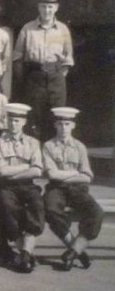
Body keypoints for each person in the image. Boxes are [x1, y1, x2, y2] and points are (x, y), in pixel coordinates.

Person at [43, 107, 103, 271]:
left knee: (96, 212)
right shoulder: (48, 146)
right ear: (55, 125)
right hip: (56, 189)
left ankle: (73, 251)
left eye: (67, 124)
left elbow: (87, 176)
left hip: (78, 190)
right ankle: (77, 250)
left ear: (73, 126)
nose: (63, 128)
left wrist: (65, 175)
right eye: (60, 124)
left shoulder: (79, 147)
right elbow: (52, 175)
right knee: (50, 209)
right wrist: (75, 173)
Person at [13, 0, 74, 141]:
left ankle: (52, 156)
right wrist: (25, 79)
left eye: (50, 7)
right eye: (43, 7)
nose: (47, 11)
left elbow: (68, 57)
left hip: (56, 78)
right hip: (34, 77)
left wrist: (58, 74)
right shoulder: (28, 28)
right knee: (34, 117)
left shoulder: (63, 29)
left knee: (56, 117)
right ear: (38, 7)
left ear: (56, 8)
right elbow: (17, 58)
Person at [0, 103, 44, 273]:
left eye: (17, 121)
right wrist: (25, 167)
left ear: (23, 122)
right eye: (11, 120)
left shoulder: (33, 143)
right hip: (7, 187)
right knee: (7, 207)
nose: (13, 124)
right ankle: (25, 253)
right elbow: (1, 171)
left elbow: (37, 170)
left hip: (28, 185)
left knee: (37, 205)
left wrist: (12, 172)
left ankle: (25, 253)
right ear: (7, 121)